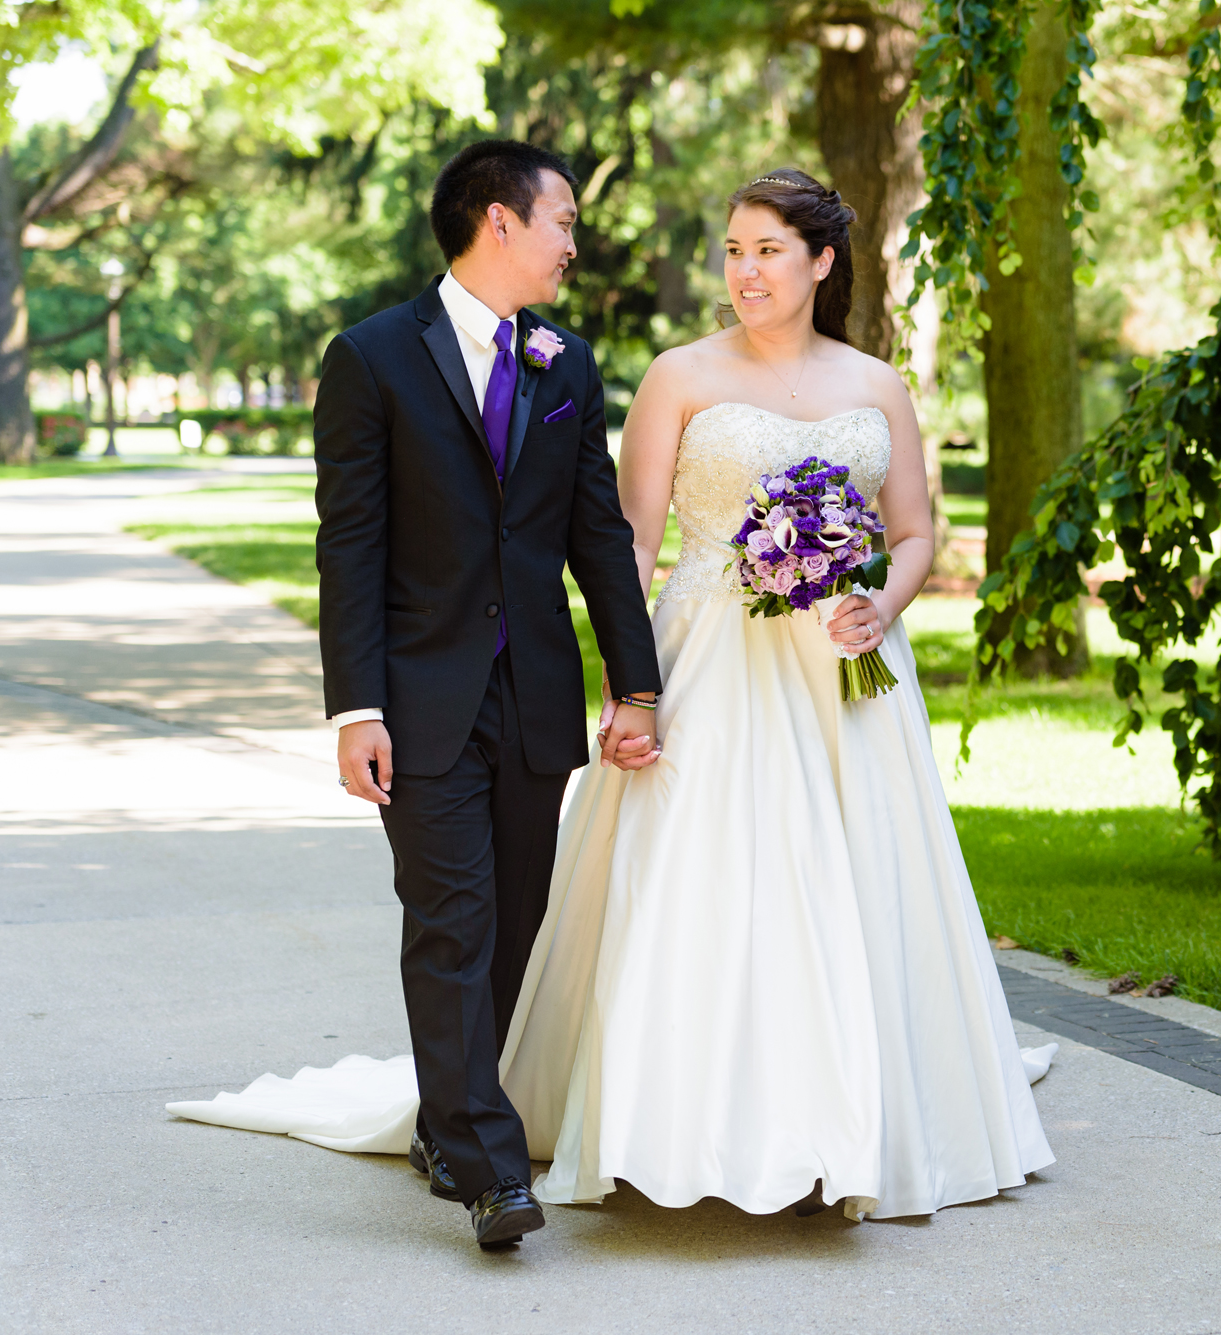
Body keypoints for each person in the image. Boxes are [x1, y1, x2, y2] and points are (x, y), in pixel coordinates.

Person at [167, 164, 1053, 1230]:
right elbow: (591, 539)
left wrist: (873, 599)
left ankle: (842, 1112)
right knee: (513, 911)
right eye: (732, 249)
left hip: (832, 680)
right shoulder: (454, 362)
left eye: (765, 249)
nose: (741, 269)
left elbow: (902, 532)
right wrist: (609, 685)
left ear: (821, 261)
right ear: (504, 224)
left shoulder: (628, 368)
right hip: (667, 664)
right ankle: (498, 1153)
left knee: (790, 893)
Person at [312, 139, 664, 1248]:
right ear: (498, 223)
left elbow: (596, 536)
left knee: (514, 922)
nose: (574, 243)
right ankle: (487, 1169)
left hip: (536, 703)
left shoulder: (568, 364)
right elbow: (350, 547)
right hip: (418, 700)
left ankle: (447, 1117)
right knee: (451, 920)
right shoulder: (370, 358)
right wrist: (354, 707)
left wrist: (636, 686)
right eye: (562, 221)